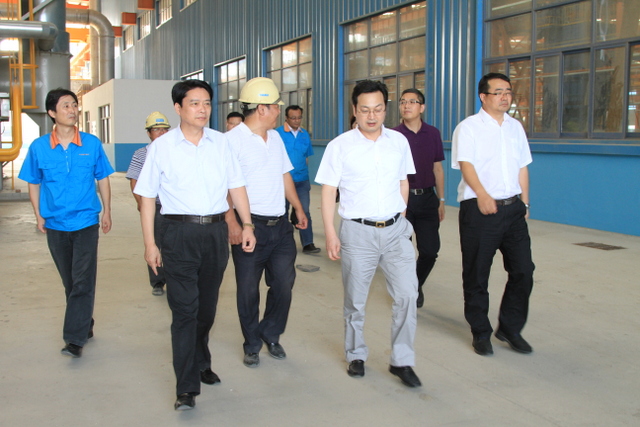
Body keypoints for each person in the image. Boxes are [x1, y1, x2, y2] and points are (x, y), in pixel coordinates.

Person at [134, 80, 256, 411]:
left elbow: (236, 185)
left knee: (206, 309)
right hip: (177, 233)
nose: (203, 109)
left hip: (215, 233)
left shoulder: (221, 143)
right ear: (178, 108)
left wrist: (246, 224)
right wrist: (150, 244)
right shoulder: (162, 147)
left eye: (207, 103)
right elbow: (147, 198)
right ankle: (186, 386)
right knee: (184, 310)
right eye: (194, 103)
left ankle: (201, 357)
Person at [316, 80, 421, 388]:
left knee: (407, 295)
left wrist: (401, 216)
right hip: (357, 233)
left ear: (386, 109)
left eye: (377, 109)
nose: (371, 116)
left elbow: (403, 181)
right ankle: (356, 354)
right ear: (354, 110)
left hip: (395, 231)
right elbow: (328, 191)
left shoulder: (399, 142)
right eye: (365, 110)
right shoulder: (339, 146)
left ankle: (402, 360)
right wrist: (331, 233)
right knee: (356, 300)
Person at [18, 88, 113, 359]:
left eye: (74, 105)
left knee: (83, 280)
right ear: (52, 113)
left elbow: (103, 178)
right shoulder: (39, 148)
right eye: (66, 106)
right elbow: (33, 182)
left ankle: (74, 339)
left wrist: (107, 211)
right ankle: (84, 322)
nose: (72, 110)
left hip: (86, 222)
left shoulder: (91, 144)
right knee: (70, 281)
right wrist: (38, 215)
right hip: (56, 224)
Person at [226, 77, 308, 369]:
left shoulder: (275, 138)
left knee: (284, 284)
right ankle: (251, 344)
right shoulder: (231, 141)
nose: (278, 112)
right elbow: (224, 187)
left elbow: (284, 175)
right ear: (262, 108)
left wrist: (298, 208)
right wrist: (233, 223)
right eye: (275, 107)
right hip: (250, 227)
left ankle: (270, 333)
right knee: (248, 290)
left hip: (280, 226)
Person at [451, 72, 535, 357]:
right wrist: (483, 195)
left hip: (513, 210)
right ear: (483, 96)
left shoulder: (515, 127)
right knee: (477, 274)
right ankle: (481, 332)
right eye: (498, 92)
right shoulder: (468, 128)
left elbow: (522, 166)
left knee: (523, 270)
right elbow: (466, 165)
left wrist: (525, 203)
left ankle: (510, 328)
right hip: (480, 209)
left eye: (508, 92)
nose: (505, 97)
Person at [393, 89, 445, 308]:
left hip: (427, 199)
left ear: (422, 107)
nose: (406, 105)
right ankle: (407, 289)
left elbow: (437, 168)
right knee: (402, 252)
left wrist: (441, 200)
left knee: (430, 251)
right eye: (403, 101)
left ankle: (415, 283)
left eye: (412, 102)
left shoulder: (432, 133)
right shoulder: (393, 135)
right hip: (401, 201)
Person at [126, 111, 171, 296]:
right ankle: (158, 282)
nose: (161, 133)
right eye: (156, 130)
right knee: (155, 244)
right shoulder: (141, 154)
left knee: (175, 245)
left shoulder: (176, 152)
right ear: (149, 133)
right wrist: (141, 203)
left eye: (164, 129)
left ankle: (175, 280)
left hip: (174, 207)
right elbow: (134, 180)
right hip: (155, 207)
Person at [275, 105, 319, 254]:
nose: (296, 121)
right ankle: (281, 243)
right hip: (283, 181)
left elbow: (306, 157)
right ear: (286, 118)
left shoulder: (304, 134)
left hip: (302, 181)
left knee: (304, 210)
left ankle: (308, 243)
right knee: (282, 212)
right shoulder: (277, 134)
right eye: (293, 118)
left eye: (299, 117)